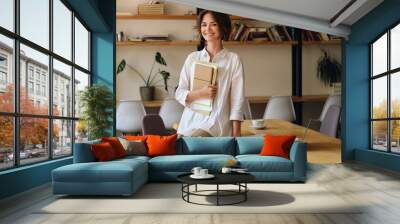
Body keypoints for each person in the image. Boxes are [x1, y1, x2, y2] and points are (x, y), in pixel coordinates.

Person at [175, 10, 245, 137]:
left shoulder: (233, 60)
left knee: (190, 142)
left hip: (214, 127)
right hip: (188, 125)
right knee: (170, 147)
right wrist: (200, 93)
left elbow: (237, 102)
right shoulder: (192, 58)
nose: (207, 29)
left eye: (213, 24)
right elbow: (179, 93)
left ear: (222, 27)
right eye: (203, 24)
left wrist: (236, 137)